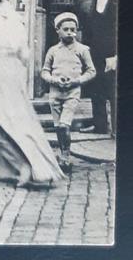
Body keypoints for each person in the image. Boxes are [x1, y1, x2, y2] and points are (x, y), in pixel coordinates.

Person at [0, 0, 64, 187]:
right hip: (15, 71)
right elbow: (25, 54)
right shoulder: (15, 19)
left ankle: (27, 165)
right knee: (19, 116)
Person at [41, 12, 96, 171]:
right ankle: (62, 152)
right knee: (59, 126)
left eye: (73, 29)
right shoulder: (53, 51)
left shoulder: (82, 49)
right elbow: (44, 71)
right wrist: (53, 80)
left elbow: (91, 71)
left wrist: (77, 80)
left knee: (65, 125)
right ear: (58, 30)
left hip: (72, 93)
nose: (70, 32)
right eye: (66, 29)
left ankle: (65, 155)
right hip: (55, 93)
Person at [81, 0, 118, 135]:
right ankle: (100, 125)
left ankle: (119, 129)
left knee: (114, 89)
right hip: (95, 49)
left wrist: (117, 54)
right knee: (96, 87)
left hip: (113, 51)